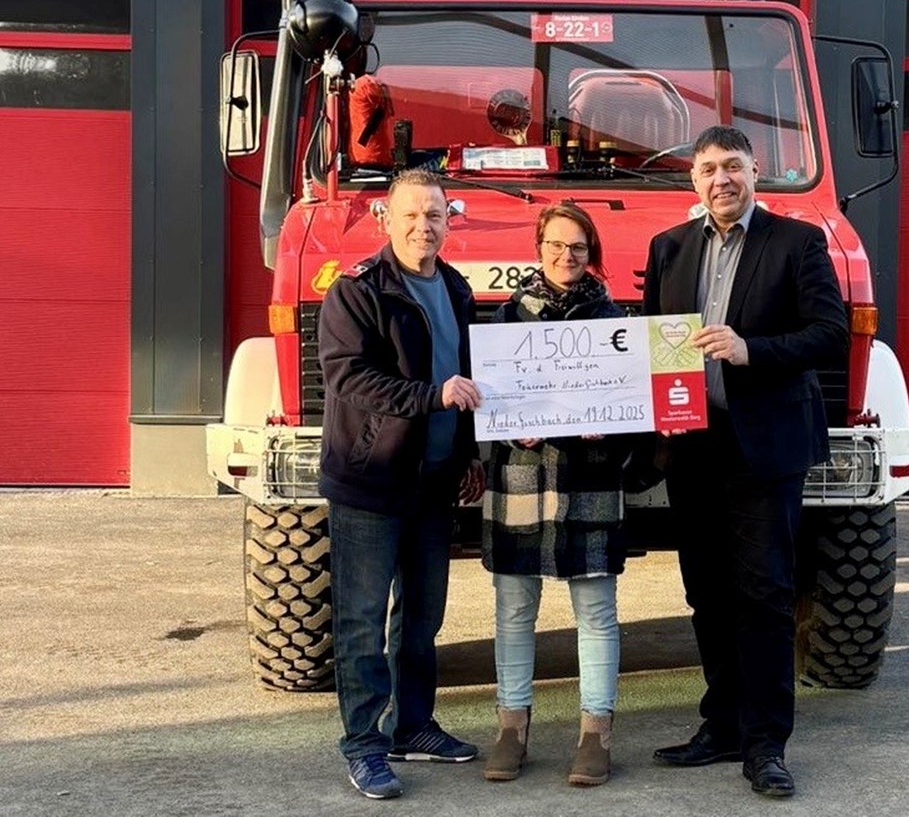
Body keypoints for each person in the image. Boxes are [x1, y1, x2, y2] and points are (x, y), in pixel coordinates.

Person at [640, 126, 849, 798]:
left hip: (763, 445)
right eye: (708, 168)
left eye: (733, 166)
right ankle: (722, 724)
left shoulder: (796, 242)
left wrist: (749, 349)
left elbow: (830, 333)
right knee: (706, 593)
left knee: (763, 594)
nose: (721, 179)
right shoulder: (668, 248)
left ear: (756, 172)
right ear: (692, 179)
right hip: (691, 446)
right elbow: (650, 349)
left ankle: (766, 746)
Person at [317, 168, 486, 800]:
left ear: (450, 221)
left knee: (421, 617)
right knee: (362, 620)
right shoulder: (358, 291)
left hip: (436, 481)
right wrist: (430, 395)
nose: (424, 226)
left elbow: (467, 378)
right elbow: (348, 379)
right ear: (387, 220)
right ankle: (364, 745)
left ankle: (413, 726)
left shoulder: (457, 288)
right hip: (371, 481)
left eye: (436, 215)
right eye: (411, 215)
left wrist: (468, 453)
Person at [480, 203, 630, 787]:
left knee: (596, 611)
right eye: (556, 246)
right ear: (538, 248)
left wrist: (609, 423)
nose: (567, 257)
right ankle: (511, 729)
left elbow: (629, 408)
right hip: (521, 473)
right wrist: (508, 422)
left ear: (592, 254)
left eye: (578, 248)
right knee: (514, 607)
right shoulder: (505, 320)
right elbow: (488, 399)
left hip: (589, 477)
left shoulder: (612, 319)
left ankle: (596, 734)